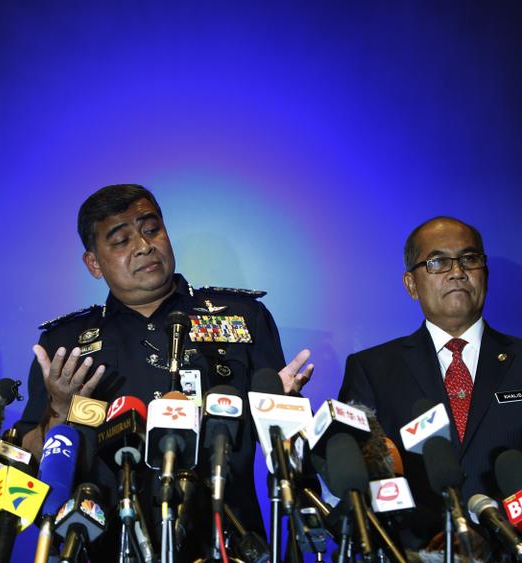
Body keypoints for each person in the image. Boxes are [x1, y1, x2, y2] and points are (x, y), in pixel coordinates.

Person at [17, 184, 314, 559]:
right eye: (121, 240)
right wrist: (58, 410)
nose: (144, 245)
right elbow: (30, 465)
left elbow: (290, 452)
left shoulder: (243, 317)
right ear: (94, 263)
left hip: (227, 542)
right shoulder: (65, 343)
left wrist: (283, 414)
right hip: (107, 546)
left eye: (151, 229)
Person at [338, 216, 522, 550]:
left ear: (484, 275)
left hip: (515, 552)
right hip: (412, 553)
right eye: (438, 262)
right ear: (411, 284)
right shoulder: (372, 369)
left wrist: (496, 532)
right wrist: (437, 537)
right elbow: (365, 474)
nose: (457, 271)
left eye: (469, 259)